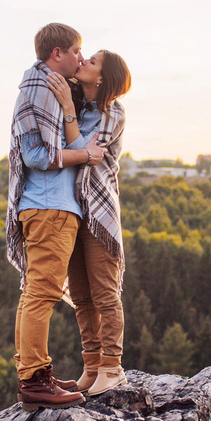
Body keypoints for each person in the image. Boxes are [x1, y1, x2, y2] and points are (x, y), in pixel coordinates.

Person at [6, 22, 108, 411]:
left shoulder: (48, 87)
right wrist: (86, 154)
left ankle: (35, 374)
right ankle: (34, 380)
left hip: (51, 207)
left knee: (35, 293)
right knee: (42, 294)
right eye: (77, 50)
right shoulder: (43, 89)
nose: (82, 58)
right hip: (48, 208)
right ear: (57, 54)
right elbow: (35, 156)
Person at [45, 49, 132, 396]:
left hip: (99, 212)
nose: (84, 62)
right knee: (81, 296)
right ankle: (92, 366)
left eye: (92, 62)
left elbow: (84, 151)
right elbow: (74, 148)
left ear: (102, 79)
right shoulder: (80, 107)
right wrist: (69, 106)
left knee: (105, 294)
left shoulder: (114, 113)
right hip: (73, 210)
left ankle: (112, 367)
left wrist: (66, 106)